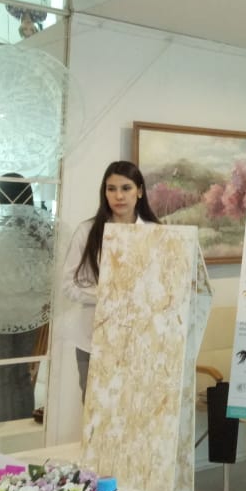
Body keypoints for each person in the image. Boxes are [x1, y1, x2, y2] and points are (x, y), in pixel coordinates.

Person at [62, 161, 160, 401]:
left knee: (136, 409)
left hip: (142, 339)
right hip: (93, 339)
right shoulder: (87, 231)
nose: (119, 196)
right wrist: (109, 294)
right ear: (104, 192)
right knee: (95, 410)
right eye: (111, 189)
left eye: (126, 188)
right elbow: (68, 285)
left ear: (139, 191)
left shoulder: (155, 232)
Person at [0, 173, 49, 422]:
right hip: (27, 311)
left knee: (1, 376)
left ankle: (6, 432)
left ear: (0, 196)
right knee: (20, 373)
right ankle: (22, 429)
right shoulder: (38, 229)